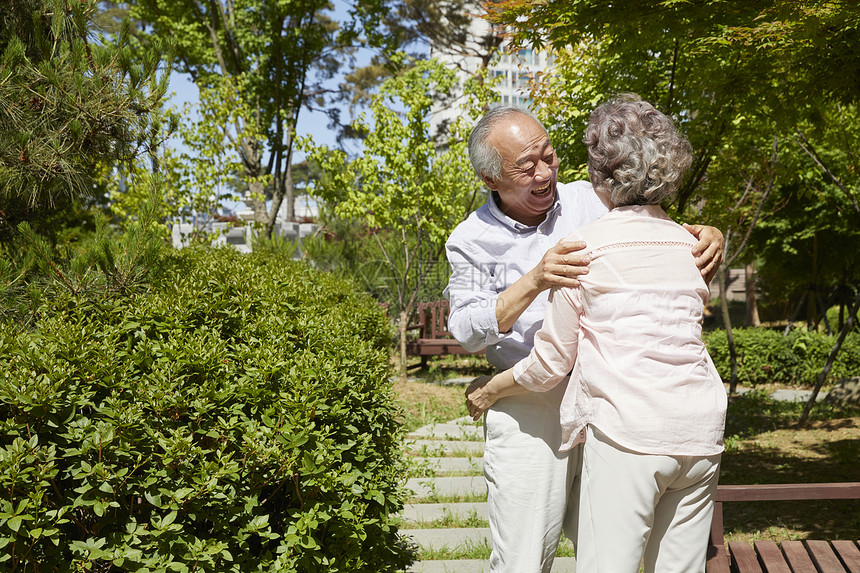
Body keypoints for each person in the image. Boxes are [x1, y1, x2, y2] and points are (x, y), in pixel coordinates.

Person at [444, 104, 724, 572]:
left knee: (612, 546)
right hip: (531, 395)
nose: (544, 173)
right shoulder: (471, 239)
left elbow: (651, 229)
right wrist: (534, 280)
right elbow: (467, 330)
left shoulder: (591, 199)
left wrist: (707, 231)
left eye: (549, 156)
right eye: (525, 167)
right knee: (524, 555)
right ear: (491, 180)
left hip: (613, 390)